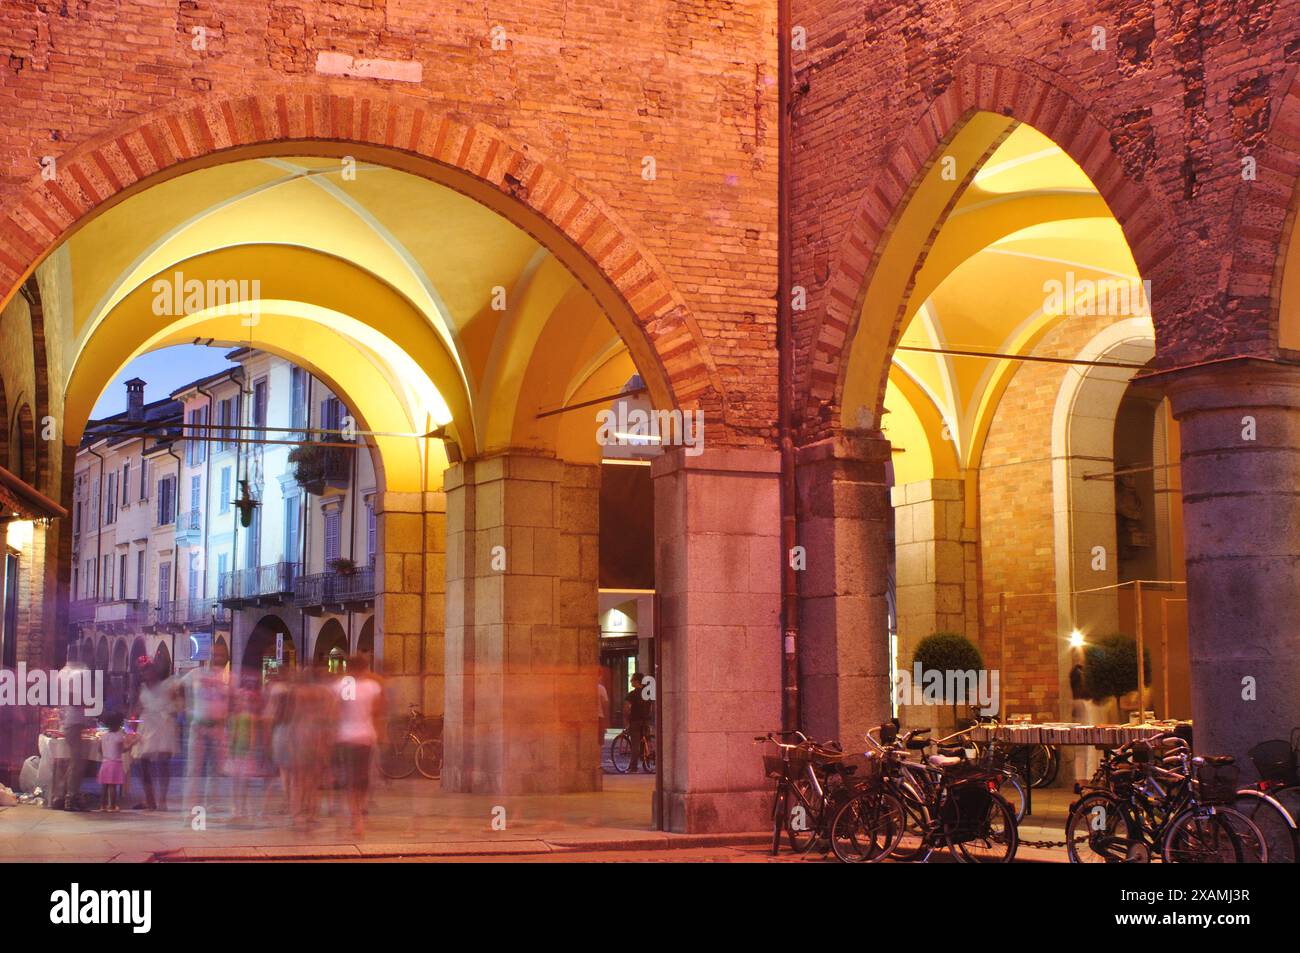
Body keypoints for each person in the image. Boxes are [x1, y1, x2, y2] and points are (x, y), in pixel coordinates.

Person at [333, 655, 383, 838]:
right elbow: (376, 711)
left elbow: (339, 710)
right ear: (365, 669)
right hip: (366, 736)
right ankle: (358, 813)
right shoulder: (372, 687)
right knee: (362, 779)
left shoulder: (345, 685)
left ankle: (356, 818)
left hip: (347, 736)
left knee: (352, 780)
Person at [180, 642, 230, 815]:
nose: (217, 659)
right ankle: (189, 807)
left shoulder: (228, 678)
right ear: (208, 656)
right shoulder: (196, 674)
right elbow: (178, 688)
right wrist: (186, 708)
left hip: (219, 727)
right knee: (194, 769)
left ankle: (212, 803)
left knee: (216, 769)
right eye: (215, 655)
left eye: (222, 655)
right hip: (198, 727)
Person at [131, 656, 178, 811]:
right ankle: (150, 799)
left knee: (163, 763)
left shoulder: (167, 685)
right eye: (142, 671)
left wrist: (171, 711)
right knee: (142, 763)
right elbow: (137, 708)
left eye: (148, 669)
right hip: (147, 726)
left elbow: (176, 704)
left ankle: (163, 800)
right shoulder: (142, 688)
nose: (145, 673)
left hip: (163, 726)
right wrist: (131, 725)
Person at [51, 651, 90, 811]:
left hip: (67, 720)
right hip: (74, 720)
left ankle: (61, 795)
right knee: (77, 761)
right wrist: (88, 701)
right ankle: (69, 796)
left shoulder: (62, 672)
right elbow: (75, 699)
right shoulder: (79, 673)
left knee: (71, 760)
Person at [96, 711, 131, 812]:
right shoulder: (120, 737)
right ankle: (112, 806)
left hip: (105, 763)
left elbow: (99, 750)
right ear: (119, 725)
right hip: (115, 763)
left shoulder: (103, 736)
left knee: (104, 786)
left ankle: (102, 805)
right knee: (112, 786)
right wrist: (132, 743)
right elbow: (124, 750)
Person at [622, 672, 652, 773]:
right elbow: (651, 707)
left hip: (635, 721)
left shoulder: (632, 694)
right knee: (646, 741)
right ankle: (647, 764)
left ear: (636, 681)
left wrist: (626, 721)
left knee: (635, 745)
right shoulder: (647, 693)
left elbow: (626, 709)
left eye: (632, 680)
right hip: (645, 721)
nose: (631, 681)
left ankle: (633, 768)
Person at [596, 678, 609, 752]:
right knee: (599, 740)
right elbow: (605, 704)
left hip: (587, 719)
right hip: (599, 716)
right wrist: (606, 719)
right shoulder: (601, 688)